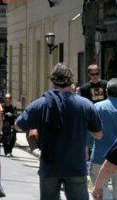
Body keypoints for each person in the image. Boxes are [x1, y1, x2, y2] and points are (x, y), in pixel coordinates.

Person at [15, 63, 103, 200]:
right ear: (71, 80)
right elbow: (98, 134)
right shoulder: (85, 105)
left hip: (50, 166)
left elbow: (19, 125)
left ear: (53, 80)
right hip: (76, 165)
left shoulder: (41, 103)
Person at [89, 78, 117, 199]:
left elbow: (89, 133)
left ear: (106, 91)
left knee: (100, 194)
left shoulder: (97, 107)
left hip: (99, 156)